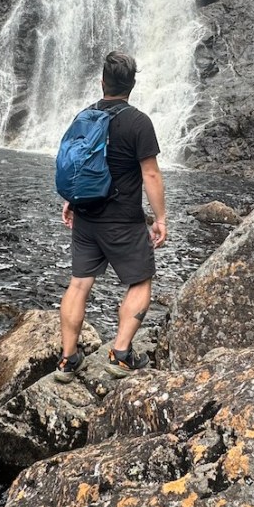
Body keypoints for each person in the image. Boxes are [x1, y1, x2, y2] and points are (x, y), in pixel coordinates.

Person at [55, 50, 167, 382]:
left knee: (78, 285)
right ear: (132, 84)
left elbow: (72, 163)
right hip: (123, 220)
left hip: (86, 216)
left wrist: (71, 200)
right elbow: (151, 175)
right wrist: (160, 218)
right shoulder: (138, 122)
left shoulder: (83, 116)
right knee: (141, 280)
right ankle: (120, 355)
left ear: (102, 81)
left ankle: (67, 360)